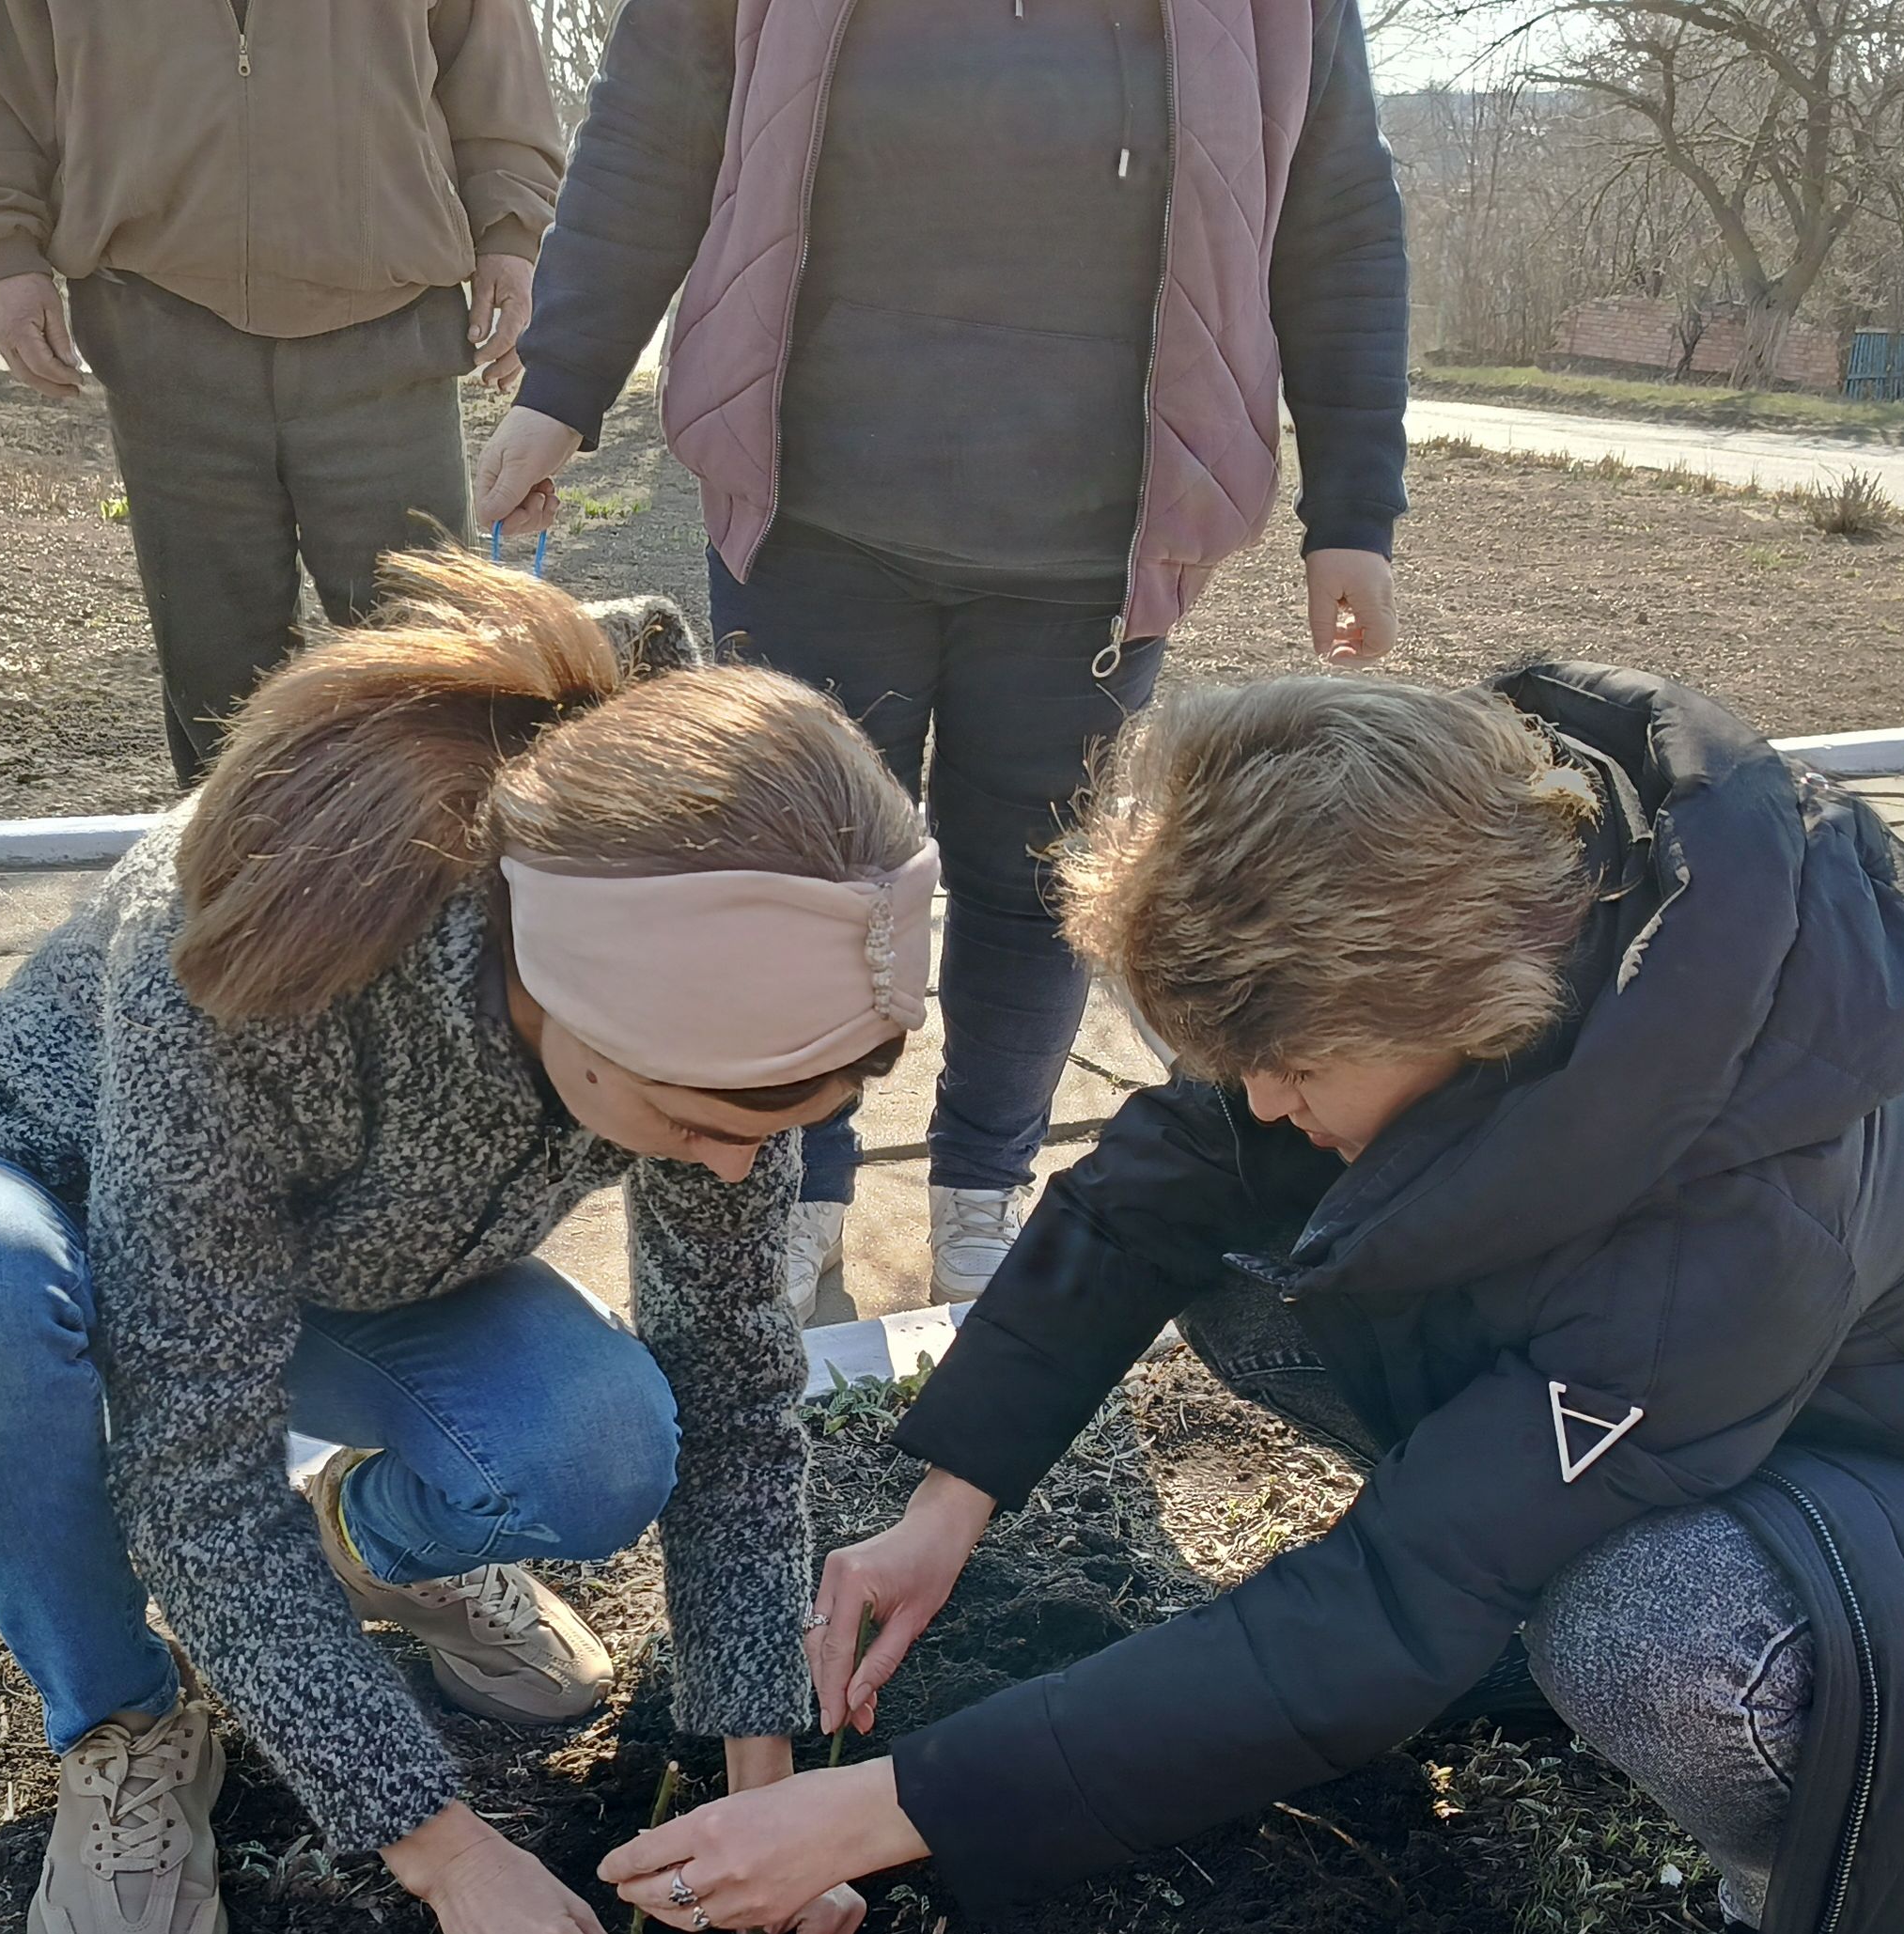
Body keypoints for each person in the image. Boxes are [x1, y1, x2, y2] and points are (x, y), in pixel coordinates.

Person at [593, 663, 1904, 1934]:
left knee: (1649, 1634)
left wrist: (884, 1810)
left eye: (1287, 1063)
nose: (1256, 1097)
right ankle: (1539, 1575)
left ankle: (1810, 1887)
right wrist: (945, 1497)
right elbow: (1163, 1176)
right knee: (1270, 1250)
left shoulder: (1740, 1219)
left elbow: (1374, 1616)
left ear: (1450, 1005)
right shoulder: (1485, 920)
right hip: (1760, 1420)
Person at [0, 557, 937, 1934]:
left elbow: (730, 1400)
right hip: (38, 1193)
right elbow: (196, 1472)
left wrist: (771, 1808)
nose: (739, 1167)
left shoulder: (706, 1017)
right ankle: (123, 1721)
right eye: (703, 1121)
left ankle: (372, 1546)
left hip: (338, 1256)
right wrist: (450, 1858)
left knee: (592, 1446)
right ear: (568, 998)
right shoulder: (285, 948)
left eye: (777, 1128)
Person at [471, 0, 1410, 1322]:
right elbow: (651, 130)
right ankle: (795, 1184)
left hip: (1094, 544)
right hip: (809, 510)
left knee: (1040, 892)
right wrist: (559, 385)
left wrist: (1353, 513)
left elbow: (1336, 214)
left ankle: (984, 1190)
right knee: (794, 878)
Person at [0, 0, 567, 783]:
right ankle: (235, 894)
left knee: (433, 671)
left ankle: (439, 895)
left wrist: (511, 233)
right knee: (217, 687)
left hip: (390, 330)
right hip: (156, 322)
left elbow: (491, 66)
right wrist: (0, 249)